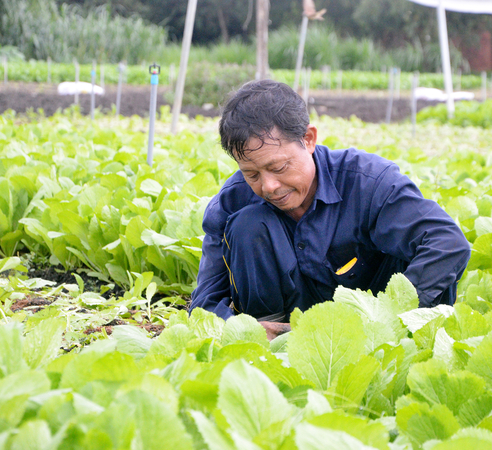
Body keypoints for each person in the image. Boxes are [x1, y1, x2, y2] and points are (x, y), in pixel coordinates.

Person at [188, 79, 470, 340]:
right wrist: (249, 331)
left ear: (309, 139)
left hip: (372, 331)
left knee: (428, 256)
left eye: (278, 167)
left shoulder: (367, 181)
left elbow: (448, 243)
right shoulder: (233, 200)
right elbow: (204, 305)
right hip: (285, 338)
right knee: (248, 225)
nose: (269, 186)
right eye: (252, 174)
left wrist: (386, 321)